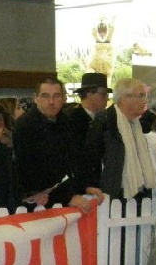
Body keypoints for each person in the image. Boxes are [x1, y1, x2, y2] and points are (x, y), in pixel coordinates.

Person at [13, 76, 98, 212]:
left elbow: (76, 160)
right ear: (36, 98)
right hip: (38, 203)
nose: (51, 102)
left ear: (63, 99)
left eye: (56, 96)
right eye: (45, 96)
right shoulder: (25, 126)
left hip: (69, 199)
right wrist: (67, 196)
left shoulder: (67, 122)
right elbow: (30, 170)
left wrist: (86, 186)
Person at [85, 77, 155, 202]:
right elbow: (91, 158)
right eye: (141, 96)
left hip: (138, 192)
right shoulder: (105, 121)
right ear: (124, 98)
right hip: (112, 193)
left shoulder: (137, 124)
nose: (145, 101)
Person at [66, 72, 111, 146]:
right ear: (89, 94)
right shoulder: (71, 120)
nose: (107, 98)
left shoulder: (104, 119)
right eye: (103, 94)